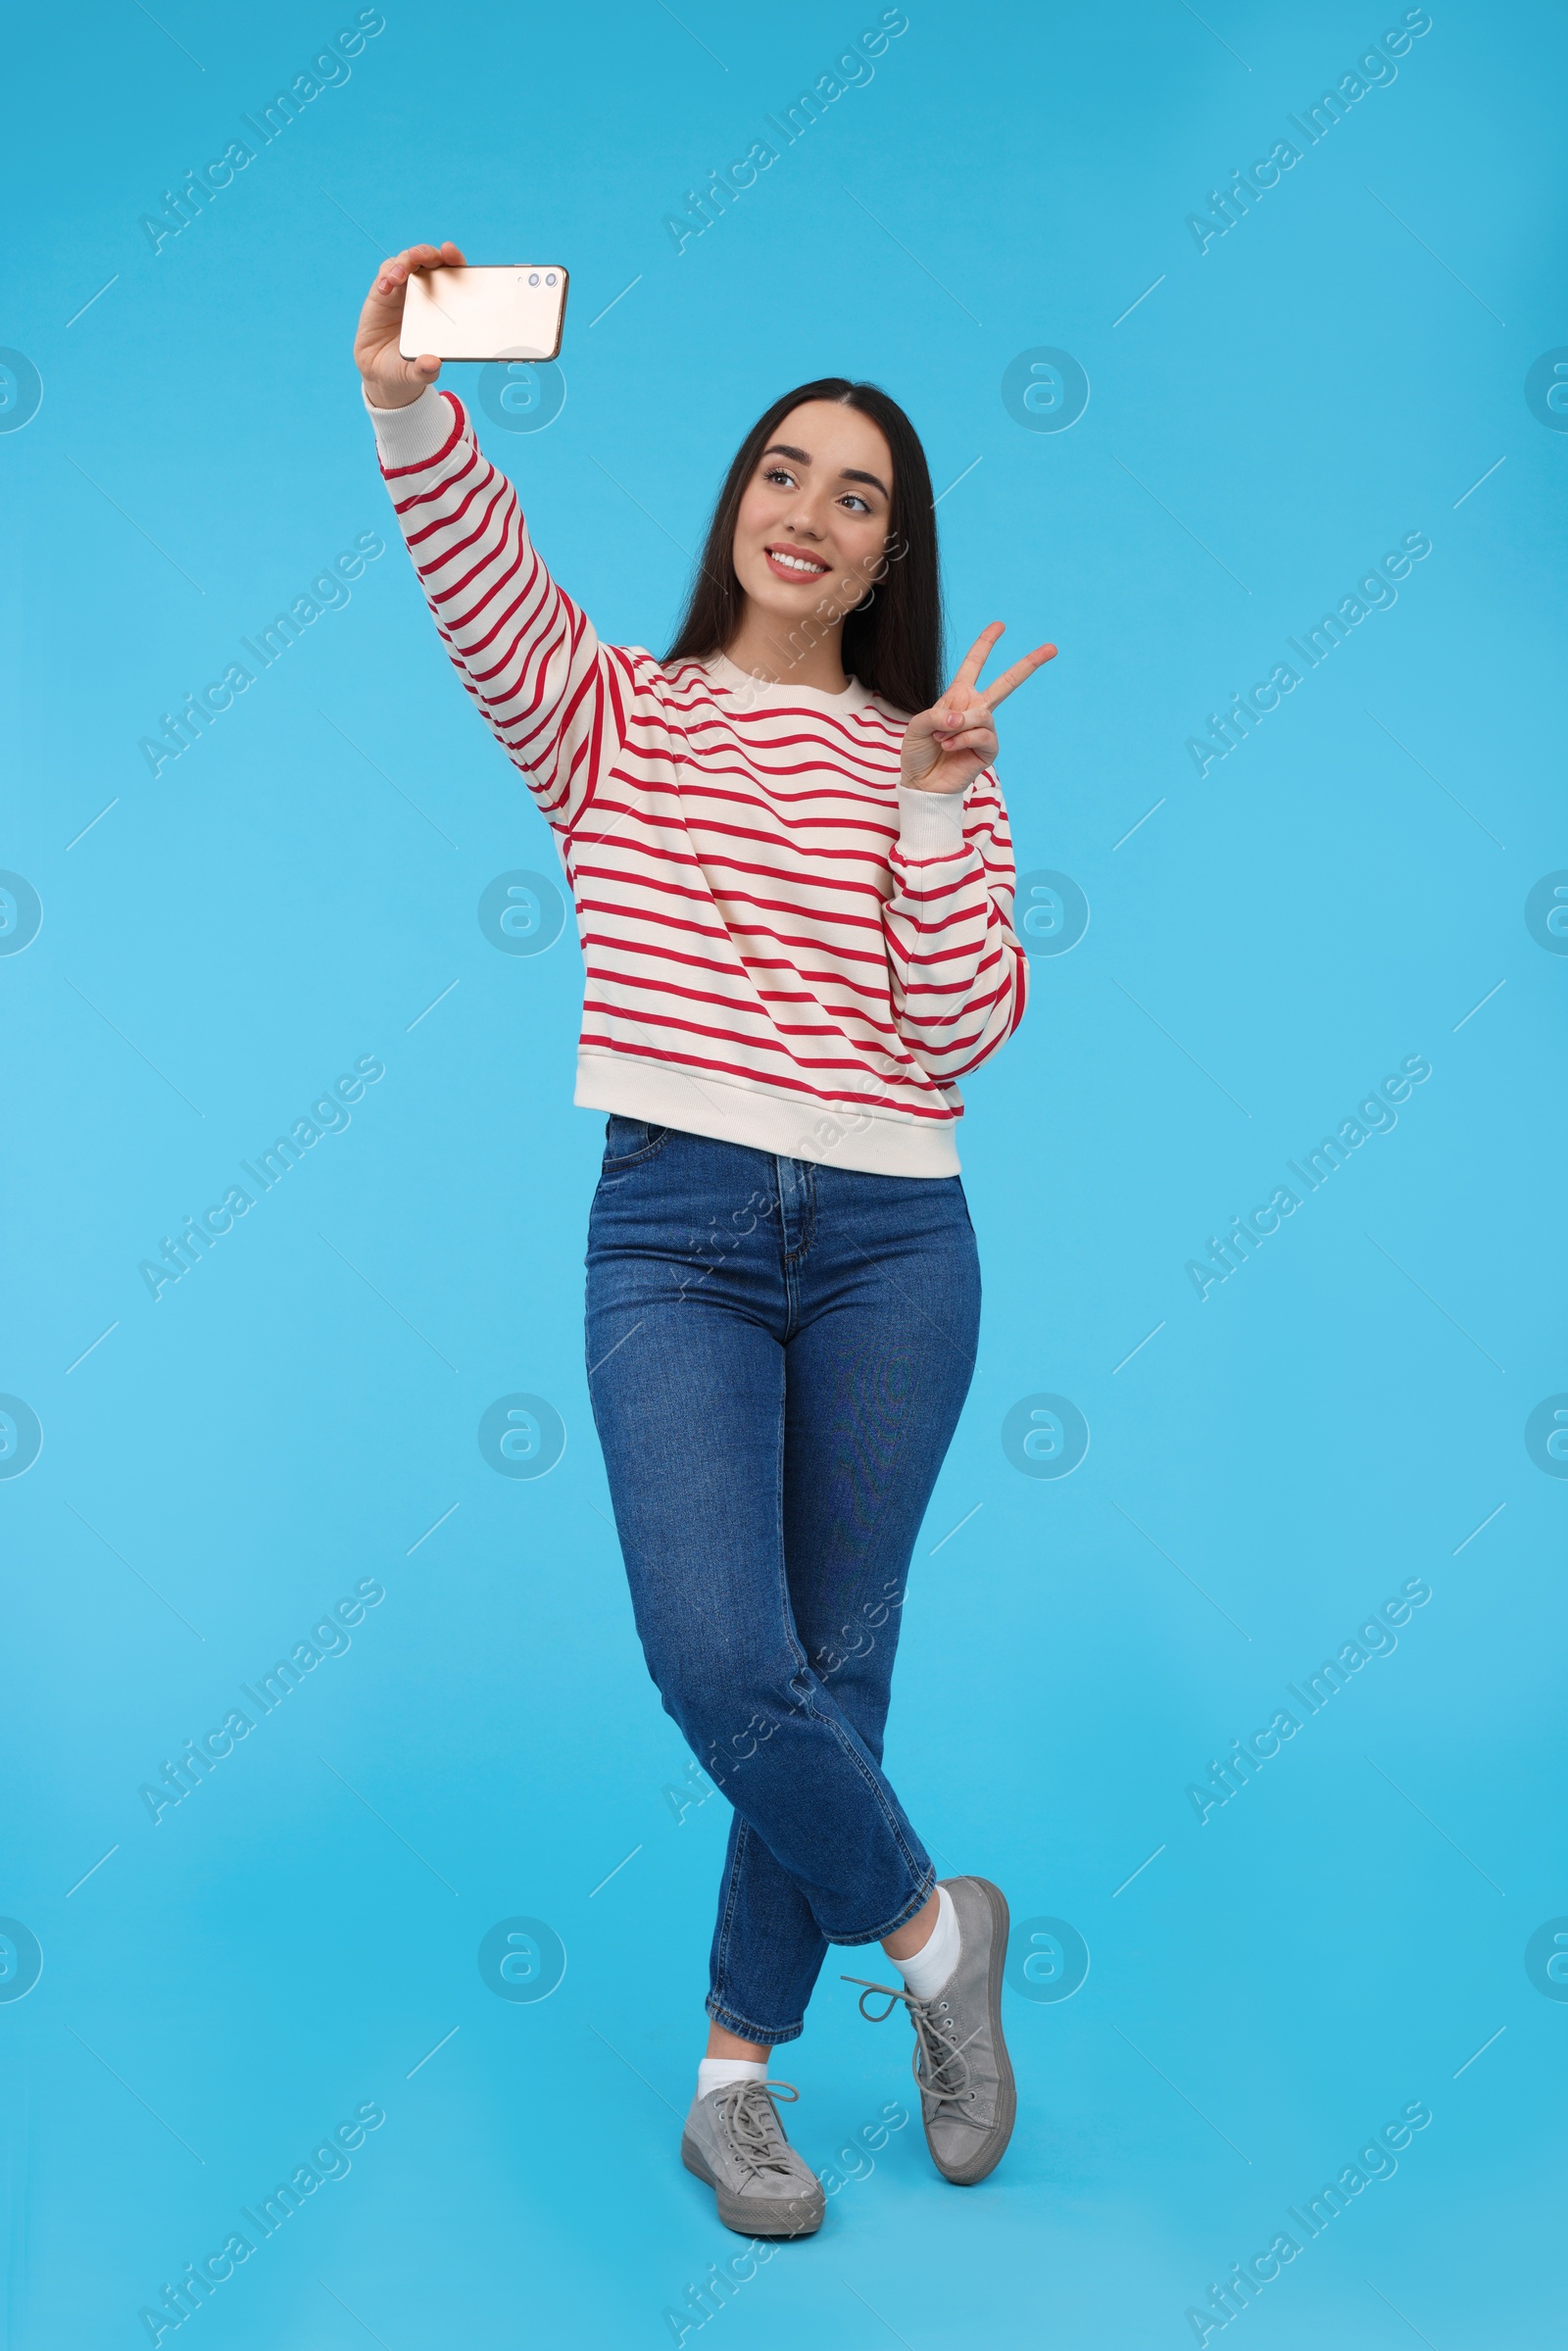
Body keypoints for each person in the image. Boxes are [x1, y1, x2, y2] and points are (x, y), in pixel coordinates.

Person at [354, 241, 1055, 2238]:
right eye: (783, 471)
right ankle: (937, 1944)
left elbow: (964, 1033)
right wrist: (408, 392)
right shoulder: (612, 719)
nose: (813, 514)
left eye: (860, 496)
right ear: (732, 502)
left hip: (895, 1244)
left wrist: (931, 806)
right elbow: (478, 581)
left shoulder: (934, 754)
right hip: (669, 1225)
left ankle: (732, 2080)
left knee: (837, 1666)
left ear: (888, 549)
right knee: (719, 1656)